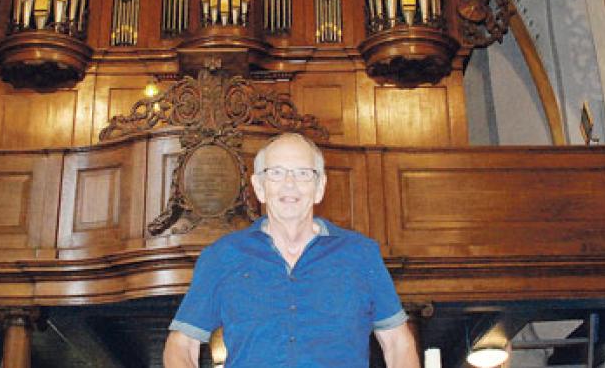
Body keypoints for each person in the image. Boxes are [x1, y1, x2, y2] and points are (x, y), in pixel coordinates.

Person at [163, 132, 419, 367]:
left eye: (303, 173)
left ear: (319, 188)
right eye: (276, 172)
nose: (289, 183)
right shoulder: (221, 257)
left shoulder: (361, 255)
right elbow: (181, 346)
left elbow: (398, 344)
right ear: (259, 187)